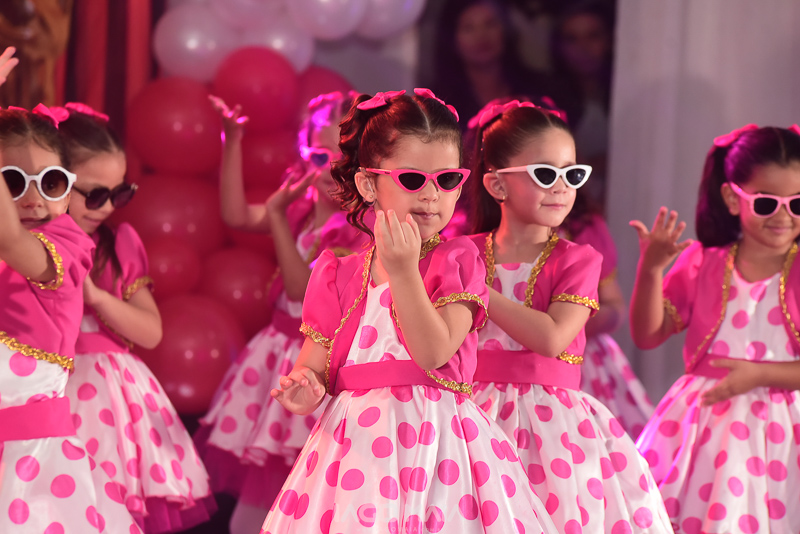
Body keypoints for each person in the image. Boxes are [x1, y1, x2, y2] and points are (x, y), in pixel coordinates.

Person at [260, 88, 559, 533]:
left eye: (448, 179)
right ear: (368, 184)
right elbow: (314, 364)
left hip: (438, 451)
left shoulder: (459, 261)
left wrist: (403, 271)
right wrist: (306, 388)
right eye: (413, 180)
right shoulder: (336, 274)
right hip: (357, 453)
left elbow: (433, 351)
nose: (432, 195)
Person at [468, 99, 671, 532]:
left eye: (572, 175)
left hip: (550, 427)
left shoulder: (578, 260)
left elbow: (552, 338)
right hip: (470, 415)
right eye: (546, 174)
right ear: (497, 184)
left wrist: (478, 292)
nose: (562, 187)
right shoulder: (461, 253)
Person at [197, 91, 370, 534]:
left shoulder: (359, 230)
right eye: (318, 156)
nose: (329, 169)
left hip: (315, 361)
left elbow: (301, 290)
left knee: (309, 492)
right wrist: (233, 140)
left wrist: (276, 216)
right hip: (276, 352)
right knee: (254, 510)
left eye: (343, 157)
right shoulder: (302, 210)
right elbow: (235, 214)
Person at [631, 124, 800, 533]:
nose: (784, 216)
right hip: (704, 428)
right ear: (731, 197)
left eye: (798, 203)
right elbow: (648, 334)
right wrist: (651, 270)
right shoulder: (702, 261)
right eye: (766, 203)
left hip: (787, 433)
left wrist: (759, 374)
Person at [58, 103, 215, 533]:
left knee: (111, 509)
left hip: (110, 399)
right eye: (94, 194)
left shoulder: (118, 244)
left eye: (120, 194)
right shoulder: (28, 245)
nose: (108, 207)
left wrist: (96, 297)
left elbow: (150, 332)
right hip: (48, 386)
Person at [0, 103, 141, 533]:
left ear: (67, 189)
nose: (33, 198)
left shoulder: (67, 242)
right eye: (12, 181)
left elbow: (9, 239)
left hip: (30, 460)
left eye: (51, 182)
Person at [428, 0, 556, 132]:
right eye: (468, 28)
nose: (481, 35)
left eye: (490, 24)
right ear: (452, 39)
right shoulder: (439, 104)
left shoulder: (539, 89)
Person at [550, 0, 615, 205]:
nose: (583, 48)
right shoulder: (550, 100)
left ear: (610, 40)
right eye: (572, 39)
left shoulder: (623, 94)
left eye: (593, 36)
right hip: (571, 204)